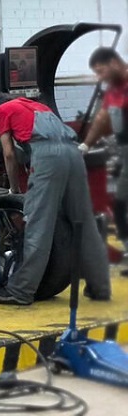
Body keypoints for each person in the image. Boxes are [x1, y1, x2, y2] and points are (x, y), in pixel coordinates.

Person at [0, 92, 111, 305]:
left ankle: (21, 290)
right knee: (84, 222)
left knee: (38, 223)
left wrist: (14, 189)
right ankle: (100, 287)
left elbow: (9, 154)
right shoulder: (38, 106)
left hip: (48, 155)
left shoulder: (1, 111)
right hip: (74, 154)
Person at [80, 47, 128, 274]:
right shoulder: (114, 90)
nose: (100, 78)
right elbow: (101, 118)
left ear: (114, 63)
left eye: (101, 72)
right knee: (120, 204)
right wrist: (85, 145)